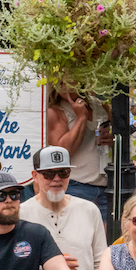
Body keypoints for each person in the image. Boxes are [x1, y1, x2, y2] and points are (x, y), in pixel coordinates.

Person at [44, 91, 110, 225]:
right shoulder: (56, 111)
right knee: (76, 235)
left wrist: (112, 137)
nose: (68, 86)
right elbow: (63, 153)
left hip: (105, 185)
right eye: (62, 82)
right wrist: (81, 118)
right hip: (76, 184)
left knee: (103, 241)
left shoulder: (100, 105)